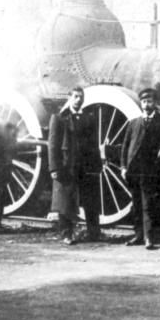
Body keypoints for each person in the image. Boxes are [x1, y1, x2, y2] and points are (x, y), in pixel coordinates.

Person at [48, 86, 101, 245]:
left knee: (90, 200)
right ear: (70, 98)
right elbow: (52, 145)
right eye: (76, 96)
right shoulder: (59, 118)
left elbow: (94, 144)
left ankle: (94, 233)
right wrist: (54, 168)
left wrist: (97, 164)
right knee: (66, 202)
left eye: (81, 97)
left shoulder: (89, 118)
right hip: (67, 166)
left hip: (85, 166)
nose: (79, 100)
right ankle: (66, 234)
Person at [120, 88, 160, 250]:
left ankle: (149, 237)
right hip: (134, 169)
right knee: (136, 203)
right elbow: (125, 147)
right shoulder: (134, 123)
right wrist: (123, 166)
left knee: (148, 204)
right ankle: (139, 235)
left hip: (151, 169)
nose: (147, 104)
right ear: (141, 103)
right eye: (144, 101)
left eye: (149, 101)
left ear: (154, 103)